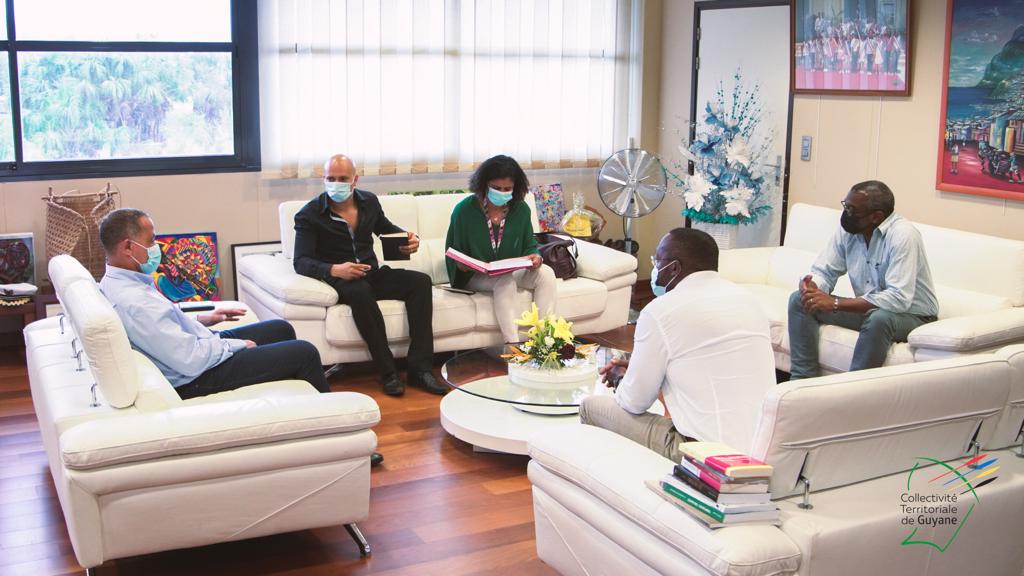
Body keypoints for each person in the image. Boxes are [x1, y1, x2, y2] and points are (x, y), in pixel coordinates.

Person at [579, 229, 776, 460]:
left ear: (674, 268)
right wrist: (638, 372)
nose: (654, 269)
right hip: (764, 451)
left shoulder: (660, 311)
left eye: (657, 261)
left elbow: (634, 402)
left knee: (591, 407)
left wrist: (620, 378)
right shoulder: (749, 301)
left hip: (709, 459)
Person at [98, 208, 330, 399]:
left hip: (196, 350)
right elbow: (188, 360)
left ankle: (294, 400)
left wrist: (200, 319)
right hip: (196, 377)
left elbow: (161, 326)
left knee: (280, 328)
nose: (156, 247)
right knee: (305, 352)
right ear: (128, 247)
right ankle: (332, 421)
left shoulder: (120, 281)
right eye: (151, 241)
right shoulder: (135, 302)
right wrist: (236, 345)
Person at [293, 154, 447, 397]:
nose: (336, 184)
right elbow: (301, 261)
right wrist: (335, 269)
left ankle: (420, 369)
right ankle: (388, 373)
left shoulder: (369, 202)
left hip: (371, 272)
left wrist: (408, 238)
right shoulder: (309, 214)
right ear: (323, 179)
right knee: (360, 291)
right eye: (331, 178)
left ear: (355, 180)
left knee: (420, 282)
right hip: (341, 279)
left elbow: (385, 229)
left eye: (342, 179)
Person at [788, 181, 938, 379]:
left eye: (852, 210)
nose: (846, 213)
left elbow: (898, 298)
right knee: (799, 300)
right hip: (871, 309)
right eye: (846, 206)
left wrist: (835, 303)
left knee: (879, 319)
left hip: (913, 316)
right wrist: (813, 287)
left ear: (876, 216)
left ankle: (854, 389)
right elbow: (825, 270)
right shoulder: (850, 230)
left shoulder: (903, 236)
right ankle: (801, 382)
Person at [445, 155, 556, 344]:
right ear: (483, 185)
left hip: (510, 269)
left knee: (546, 274)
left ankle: (544, 340)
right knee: (504, 281)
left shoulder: (521, 209)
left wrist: (535, 257)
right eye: (496, 188)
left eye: (507, 189)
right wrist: (463, 265)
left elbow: (529, 244)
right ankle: (513, 345)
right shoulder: (464, 210)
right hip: (475, 275)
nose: (502, 193)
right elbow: (455, 253)